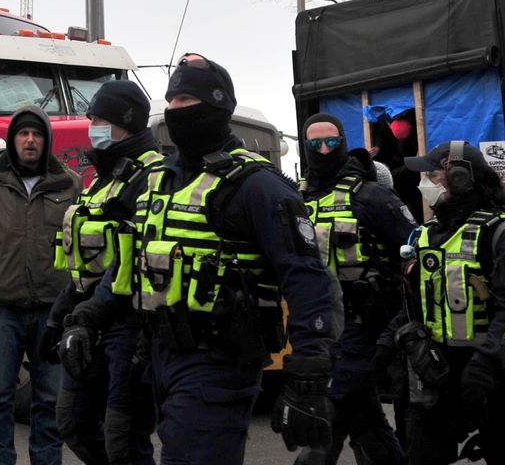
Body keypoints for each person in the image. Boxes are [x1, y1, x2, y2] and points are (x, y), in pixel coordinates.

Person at [61, 54, 336, 465]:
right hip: (154, 352)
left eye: (185, 100)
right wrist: (89, 315)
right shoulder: (159, 181)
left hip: (219, 360)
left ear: (217, 106)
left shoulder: (256, 185)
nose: (174, 111)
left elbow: (308, 278)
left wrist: (310, 370)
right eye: (170, 101)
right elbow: (129, 262)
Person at [396, 141, 505, 464]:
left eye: (431, 174)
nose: (423, 183)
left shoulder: (504, 234)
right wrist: (390, 344)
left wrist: (485, 366)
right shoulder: (428, 234)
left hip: (497, 374)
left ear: (458, 178)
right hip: (441, 374)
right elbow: (414, 301)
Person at [0, 104, 81, 465]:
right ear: (12, 140)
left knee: (49, 399)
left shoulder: (69, 184)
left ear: (47, 140)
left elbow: (82, 248)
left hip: (52, 310)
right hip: (0, 309)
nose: (30, 140)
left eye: (37, 134)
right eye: (23, 133)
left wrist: (78, 301)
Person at [44, 80, 159, 465]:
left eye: (98, 117)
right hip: (88, 321)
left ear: (124, 121)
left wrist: (89, 315)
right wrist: (58, 320)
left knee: (123, 437)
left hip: (130, 324)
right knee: (72, 422)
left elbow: (130, 257)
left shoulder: (151, 178)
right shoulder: (103, 180)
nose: (90, 123)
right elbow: (83, 265)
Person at [295, 114, 416, 465]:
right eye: (314, 143)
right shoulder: (298, 197)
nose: (323, 149)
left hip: (365, 325)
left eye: (330, 141)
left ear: (343, 142)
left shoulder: (372, 196)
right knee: (367, 424)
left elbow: (417, 251)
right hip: (320, 327)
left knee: (326, 420)